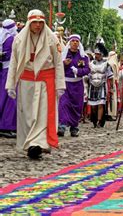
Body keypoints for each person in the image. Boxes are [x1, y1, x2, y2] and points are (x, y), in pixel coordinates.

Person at [6, 9, 65, 159]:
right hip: (26, 82)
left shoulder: (52, 39)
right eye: (34, 22)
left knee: (42, 115)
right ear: (29, 23)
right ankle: (29, 143)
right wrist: (11, 84)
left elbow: (58, 64)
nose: (38, 25)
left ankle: (38, 144)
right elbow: (13, 63)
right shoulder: (19, 39)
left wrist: (60, 85)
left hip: (46, 82)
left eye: (40, 22)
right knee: (27, 114)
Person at [57, 34, 90, 137]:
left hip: (77, 85)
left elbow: (87, 70)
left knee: (77, 106)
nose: (75, 43)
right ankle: (62, 126)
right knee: (64, 104)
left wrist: (78, 71)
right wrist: (64, 64)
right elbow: (57, 68)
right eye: (73, 41)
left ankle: (74, 127)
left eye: (76, 41)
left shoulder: (83, 57)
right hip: (66, 84)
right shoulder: (63, 55)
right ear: (69, 43)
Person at [88, 43, 112, 128]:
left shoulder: (106, 64)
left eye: (98, 54)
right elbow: (87, 74)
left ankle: (99, 121)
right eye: (96, 54)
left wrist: (111, 88)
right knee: (93, 105)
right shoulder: (90, 63)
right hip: (93, 85)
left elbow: (110, 76)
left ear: (101, 54)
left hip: (102, 85)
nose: (96, 56)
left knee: (101, 103)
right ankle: (94, 119)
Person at [0, 19, 17, 138]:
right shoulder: (11, 39)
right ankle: (6, 126)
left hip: (3, 71)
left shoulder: (2, 38)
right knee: (10, 100)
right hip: (10, 71)